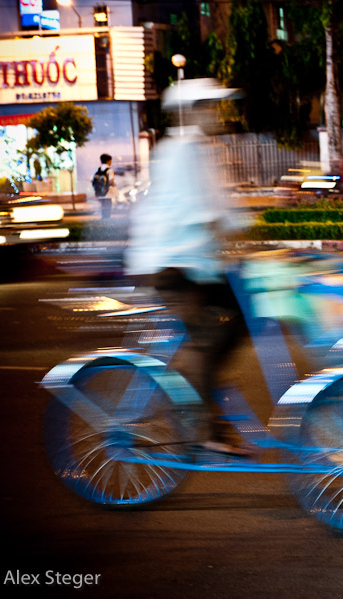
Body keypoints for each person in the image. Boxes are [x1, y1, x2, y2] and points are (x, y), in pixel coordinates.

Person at [124, 78, 248, 457]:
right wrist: (237, 240)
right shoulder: (179, 152)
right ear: (191, 112)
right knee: (204, 339)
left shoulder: (202, 149)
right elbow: (207, 212)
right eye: (209, 108)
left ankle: (203, 396)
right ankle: (203, 429)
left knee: (245, 315)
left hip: (197, 263)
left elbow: (224, 208)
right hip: (171, 264)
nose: (217, 115)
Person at [91, 153, 114, 219]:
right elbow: (110, 181)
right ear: (108, 161)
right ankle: (107, 221)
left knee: (103, 207)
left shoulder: (97, 170)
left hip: (100, 192)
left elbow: (92, 180)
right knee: (108, 207)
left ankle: (103, 219)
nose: (111, 162)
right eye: (110, 160)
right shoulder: (109, 170)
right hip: (107, 193)